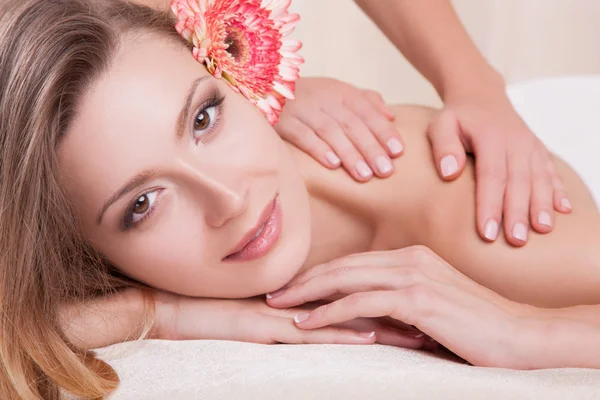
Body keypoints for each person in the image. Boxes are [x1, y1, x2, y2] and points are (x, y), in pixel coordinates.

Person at [0, 1, 599, 399]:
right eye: (143, 205)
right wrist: (161, 314)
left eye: (205, 116)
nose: (229, 199)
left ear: (238, 69)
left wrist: (525, 332)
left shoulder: (479, 216)